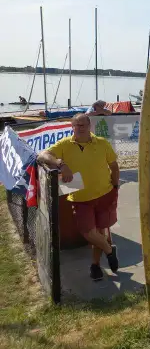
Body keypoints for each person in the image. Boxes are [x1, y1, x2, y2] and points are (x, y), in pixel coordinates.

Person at [37, 113, 119, 281]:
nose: (80, 128)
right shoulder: (65, 144)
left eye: (83, 125)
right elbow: (42, 156)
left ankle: (95, 266)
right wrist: (61, 164)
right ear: (72, 127)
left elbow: (114, 166)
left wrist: (115, 185)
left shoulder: (102, 143)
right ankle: (109, 250)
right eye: (76, 125)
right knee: (88, 232)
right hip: (80, 198)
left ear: (89, 126)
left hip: (105, 193)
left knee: (100, 231)